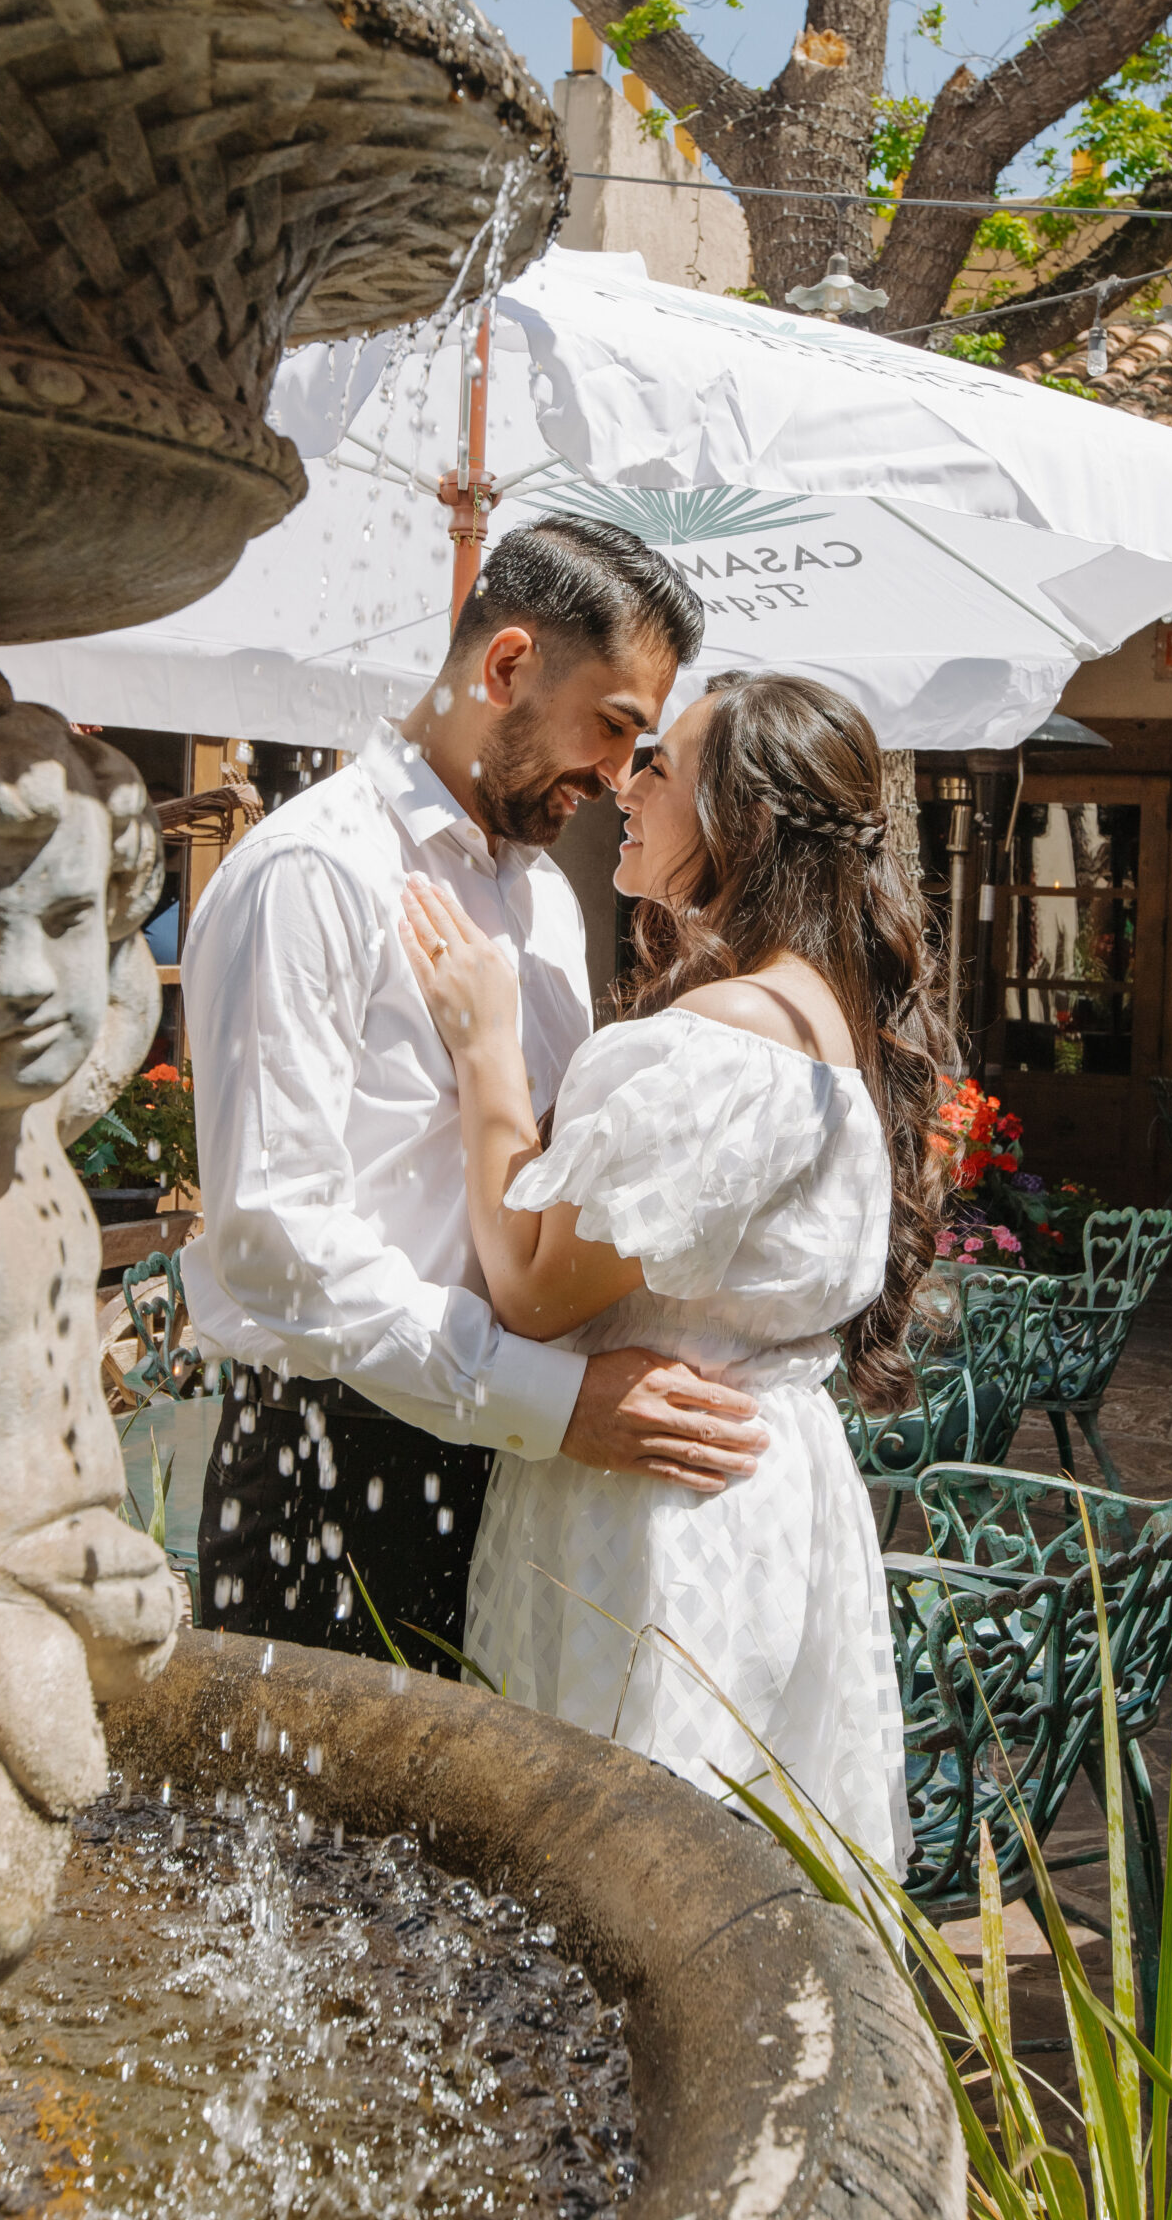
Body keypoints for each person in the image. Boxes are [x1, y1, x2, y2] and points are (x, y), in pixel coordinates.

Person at [182, 516, 770, 1666]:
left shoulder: (548, 901)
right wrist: (550, 1398)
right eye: (611, 727)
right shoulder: (314, 872)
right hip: (334, 1459)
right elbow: (270, 1233)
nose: (615, 779)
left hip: (527, 1471)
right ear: (506, 665)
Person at [399, 670, 951, 1866]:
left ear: (740, 819)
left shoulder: (728, 1041)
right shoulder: (818, 1018)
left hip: (659, 1513)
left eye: (660, 764)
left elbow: (534, 1292)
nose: (625, 784)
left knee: (631, 1873)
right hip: (758, 1496)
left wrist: (488, 1053)